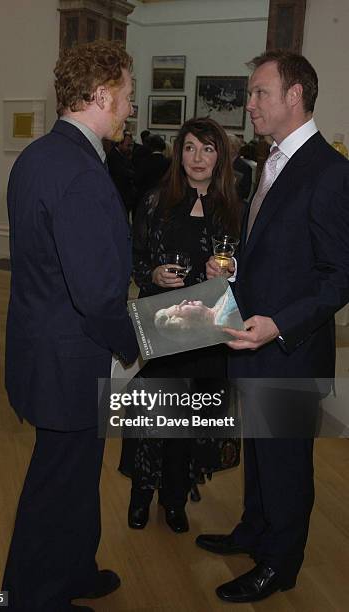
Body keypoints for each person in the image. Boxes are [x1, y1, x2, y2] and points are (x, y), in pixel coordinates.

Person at [198, 50, 349, 603]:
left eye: (260, 92)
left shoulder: (330, 172)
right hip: (252, 340)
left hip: (288, 348)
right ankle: (254, 532)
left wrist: (279, 324)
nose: (249, 103)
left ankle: (280, 563)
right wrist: (235, 269)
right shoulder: (272, 160)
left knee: (285, 464)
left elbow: (340, 277)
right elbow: (280, 253)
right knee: (260, 453)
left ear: (295, 96)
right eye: (250, 92)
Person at [2, 41, 138, 612]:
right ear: (102, 95)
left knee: (77, 478)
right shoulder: (80, 172)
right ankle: (27, 599)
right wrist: (135, 347)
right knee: (55, 487)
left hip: (43, 353)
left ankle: (75, 569)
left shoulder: (36, 157)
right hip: (71, 362)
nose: (130, 108)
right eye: (127, 97)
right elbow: (98, 294)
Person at [118, 117, 241, 533]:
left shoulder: (232, 209)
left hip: (208, 331)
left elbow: (248, 267)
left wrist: (228, 273)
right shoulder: (155, 201)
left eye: (207, 148)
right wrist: (152, 275)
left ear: (219, 155)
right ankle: (141, 496)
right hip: (162, 325)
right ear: (178, 153)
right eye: (190, 148)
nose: (198, 157)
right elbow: (133, 258)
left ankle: (174, 500)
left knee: (187, 423)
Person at [154, 288, 239, 334]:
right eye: (179, 308)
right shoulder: (223, 321)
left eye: (177, 304)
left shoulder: (217, 307)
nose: (184, 301)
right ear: (186, 322)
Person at [107, 130, 136, 215]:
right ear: (119, 144)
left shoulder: (123, 155)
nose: (130, 148)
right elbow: (123, 173)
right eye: (128, 145)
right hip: (119, 195)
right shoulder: (113, 156)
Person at [227, 133, 253, 200]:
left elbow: (245, 192)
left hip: (234, 204)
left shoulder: (244, 168)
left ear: (234, 148)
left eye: (226, 145)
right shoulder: (218, 163)